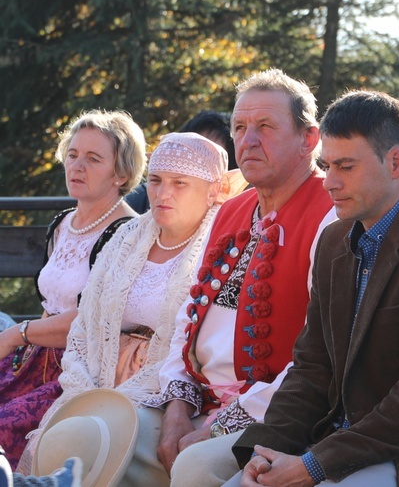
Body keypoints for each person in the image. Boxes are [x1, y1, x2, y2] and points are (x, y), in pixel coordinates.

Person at [229, 89, 399, 487]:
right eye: (326, 165)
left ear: (396, 162)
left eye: (346, 166)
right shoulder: (335, 239)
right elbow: (312, 367)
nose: (329, 182)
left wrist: (314, 465)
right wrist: (267, 450)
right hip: (343, 440)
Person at [124, 68, 335, 487]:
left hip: (281, 412)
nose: (248, 140)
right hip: (200, 398)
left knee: (195, 466)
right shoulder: (231, 210)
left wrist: (221, 425)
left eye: (265, 127)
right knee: (107, 436)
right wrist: (178, 406)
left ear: (309, 140)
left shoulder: (330, 214)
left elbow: (323, 353)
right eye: (239, 127)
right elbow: (190, 314)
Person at [17, 132, 227, 473]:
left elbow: (196, 345)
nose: (163, 193)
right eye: (156, 181)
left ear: (213, 189)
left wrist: (118, 400)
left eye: (180, 183)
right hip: (98, 373)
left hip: (162, 388)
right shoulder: (128, 238)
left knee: (98, 448)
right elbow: (84, 326)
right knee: (62, 440)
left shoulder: (219, 245)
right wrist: (83, 389)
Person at [0, 109, 146, 469]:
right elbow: (51, 304)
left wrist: (16, 336)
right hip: (33, 358)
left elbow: (90, 320)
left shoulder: (127, 233)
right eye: (72, 155)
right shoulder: (62, 223)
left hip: (81, 370)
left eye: (93, 159)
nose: (77, 166)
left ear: (122, 173)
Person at [125, 109, 238, 213]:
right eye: (190, 149)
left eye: (210, 155)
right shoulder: (140, 200)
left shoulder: (236, 219)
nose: (163, 194)